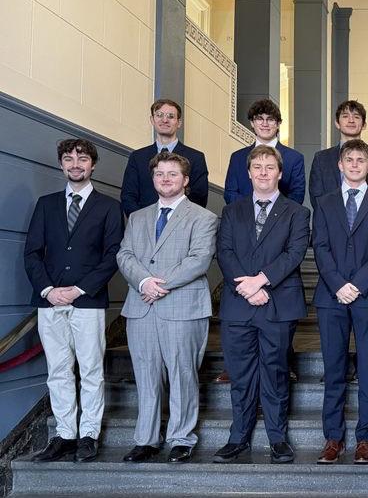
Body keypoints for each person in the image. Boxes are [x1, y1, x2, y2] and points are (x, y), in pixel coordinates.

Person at [24, 139, 123, 463]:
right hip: (50, 302)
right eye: (68, 159)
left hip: (87, 301)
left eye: (82, 159)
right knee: (58, 371)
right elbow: (32, 253)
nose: (75, 164)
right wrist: (48, 290)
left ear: (93, 164)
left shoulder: (109, 207)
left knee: (91, 370)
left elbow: (112, 255)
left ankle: (88, 435)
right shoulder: (46, 204)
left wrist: (79, 289)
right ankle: (65, 434)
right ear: (61, 164)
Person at [117, 152, 218, 464]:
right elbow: (124, 255)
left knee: (182, 373)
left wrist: (160, 285)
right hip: (141, 306)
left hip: (182, 306)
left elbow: (199, 259)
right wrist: (143, 282)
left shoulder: (203, 217)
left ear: (185, 180)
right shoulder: (137, 217)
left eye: (172, 174)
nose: (165, 179)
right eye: (159, 174)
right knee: (146, 375)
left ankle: (180, 438)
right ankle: (146, 440)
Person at [214, 145, 310, 464]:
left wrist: (261, 280)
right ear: (249, 172)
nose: (264, 172)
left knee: (275, 372)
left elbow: (294, 254)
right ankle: (238, 437)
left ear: (280, 173)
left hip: (278, 303)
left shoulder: (297, 213)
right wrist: (247, 287)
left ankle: (277, 438)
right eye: (257, 167)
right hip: (239, 303)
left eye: (270, 167)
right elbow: (225, 252)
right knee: (240, 375)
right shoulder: (232, 211)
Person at [312, 139, 368, 465]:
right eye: (350, 159)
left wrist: (357, 285)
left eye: (361, 160)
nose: (355, 165)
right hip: (330, 296)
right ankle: (333, 438)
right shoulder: (325, 202)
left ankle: (365, 439)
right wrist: (338, 284)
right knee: (333, 368)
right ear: (340, 165)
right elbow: (320, 247)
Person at [121, 99, 209, 216]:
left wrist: (176, 221)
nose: (164, 120)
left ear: (179, 123)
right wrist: (142, 222)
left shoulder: (196, 158)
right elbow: (128, 196)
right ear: (152, 120)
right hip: (143, 223)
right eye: (159, 115)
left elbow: (199, 198)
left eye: (171, 116)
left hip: (181, 223)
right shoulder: (137, 157)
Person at [308, 100, 368, 210]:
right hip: (330, 218)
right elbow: (316, 197)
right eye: (345, 116)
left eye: (356, 117)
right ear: (337, 123)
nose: (351, 120)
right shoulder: (321, 158)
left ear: (364, 125)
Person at [225, 99, 305, 205]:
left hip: (281, 215)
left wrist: (269, 211)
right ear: (252, 123)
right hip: (242, 214)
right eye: (259, 119)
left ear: (278, 124)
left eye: (270, 119)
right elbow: (230, 193)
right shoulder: (237, 157)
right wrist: (254, 210)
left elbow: (296, 196)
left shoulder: (294, 158)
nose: (265, 124)